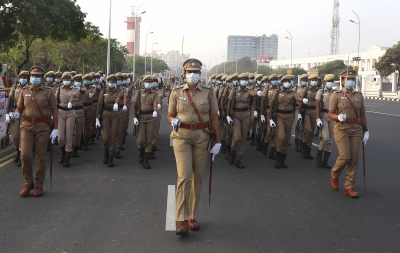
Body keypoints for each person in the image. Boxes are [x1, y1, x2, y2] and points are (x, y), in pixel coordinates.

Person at [168, 58, 221, 236]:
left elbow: (214, 117)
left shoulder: (208, 92)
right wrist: (173, 120)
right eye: (190, 72)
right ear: (184, 73)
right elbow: (170, 115)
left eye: (196, 72)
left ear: (200, 73)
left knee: (198, 176)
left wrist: (219, 142)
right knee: (184, 176)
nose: (193, 75)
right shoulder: (176, 92)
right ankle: (182, 220)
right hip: (181, 136)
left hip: (202, 137)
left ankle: (192, 216)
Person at [16, 66, 58, 197]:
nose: (35, 78)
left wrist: (56, 129)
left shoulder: (49, 92)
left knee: (41, 156)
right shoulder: (24, 91)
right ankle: (28, 182)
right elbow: (19, 107)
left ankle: (39, 184)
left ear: (42, 78)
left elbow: (54, 111)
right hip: (27, 126)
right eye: (33, 75)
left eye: (38, 76)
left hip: (42, 126)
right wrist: (16, 114)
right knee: (25, 155)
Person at [329, 69, 369, 198]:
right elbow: (330, 113)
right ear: (342, 81)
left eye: (352, 79)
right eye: (348, 79)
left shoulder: (359, 95)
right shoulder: (336, 95)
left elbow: (362, 114)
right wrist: (337, 117)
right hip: (342, 128)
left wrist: (366, 130)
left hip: (356, 128)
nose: (351, 81)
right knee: (345, 156)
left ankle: (349, 186)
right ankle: (335, 174)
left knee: (354, 158)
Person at [268, 75, 308, 168]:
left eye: (288, 81)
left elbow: (297, 98)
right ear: (282, 82)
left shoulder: (292, 92)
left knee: (286, 139)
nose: (287, 82)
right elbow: (271, 105)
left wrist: (303, 99)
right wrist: (270, 119)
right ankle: (277, 159)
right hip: (279, 116)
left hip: (289, 117)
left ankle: (282, 159)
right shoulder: (277, 92)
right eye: (285, 81)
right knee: (281, 137)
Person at [226, 73, 263, 168]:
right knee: (237, 137)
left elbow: (252, 94)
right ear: (239, 80)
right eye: (242, 79)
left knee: (243, 138)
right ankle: (232, 152)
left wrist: (258, 93)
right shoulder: (234, 91)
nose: (244, 81)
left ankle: (238, 159)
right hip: (236, 115)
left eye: (246, 79)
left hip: (246, 115)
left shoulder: (249, 91)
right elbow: (229, 103)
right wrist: (227, 116)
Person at [96, 74, 122, 167]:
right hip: (105, 114)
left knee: (114, 135)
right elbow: (99, 104)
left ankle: (111, 156)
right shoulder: (103, 91)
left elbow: (118, 97)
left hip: (115, 114)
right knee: (105, 137)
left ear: (115, 82)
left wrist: (116, 103)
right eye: (110, 80)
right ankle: (105, 153)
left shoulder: (119, 90)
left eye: (113, 80)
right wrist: (96, 118)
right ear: (107, 81)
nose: (111, 82)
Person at [132, 75, 158, 169]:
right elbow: (134, 105)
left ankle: (146, 160)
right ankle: (141, 153)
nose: (148, 83)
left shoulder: (154, 94)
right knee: (140, 140)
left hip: (151, 117)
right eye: (146, 81)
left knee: (149, 139)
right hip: (141, 118)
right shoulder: (138, 93)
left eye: (150, 82)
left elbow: (155, 103)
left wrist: (155, 110)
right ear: (143, 82)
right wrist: (134, 117)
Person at [6, 70, 29, 166]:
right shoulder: (14, 87)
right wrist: (7, 114)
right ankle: (17, 151)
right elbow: (9, 100)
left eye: (25, 77)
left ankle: (21, 156)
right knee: (15, 136)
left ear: (28, 78)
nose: (23, 78)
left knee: (22, 136)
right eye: (21, 77)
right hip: (15, 113)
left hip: (26, 113)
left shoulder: (30, 88)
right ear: (19, 77)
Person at [56, 72, 78, 167]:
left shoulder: (74, 89)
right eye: (65, 78)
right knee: (60, 137)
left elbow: (73, 95)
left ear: (71, 79)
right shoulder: (59, 89)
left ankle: (67, 157)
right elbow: (55, 100)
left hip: (70, 113)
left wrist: (70, 102)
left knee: (69, 135)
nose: (66, 80)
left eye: (68, 78)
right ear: (62, 79)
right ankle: (63, 152)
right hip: (60, 113)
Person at [315, 74, 335, 168]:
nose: (330, 83)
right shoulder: (321, 92)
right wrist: (317, 118)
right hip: (324, 116)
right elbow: (317, 106)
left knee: (330, 140)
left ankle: (325, 161)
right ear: (325, 82)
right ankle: (319, 156)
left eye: (332, 81)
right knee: (325, 138)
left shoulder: (336, 92)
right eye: (329, 81)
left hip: (333, 116)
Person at [298, 73, 319, 159]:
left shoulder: (319, 90)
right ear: (309, 81)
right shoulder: (305, 90)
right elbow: (300, 101)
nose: (314, 82)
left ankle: (308, 149)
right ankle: (304, 144)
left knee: (312, 132)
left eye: (315, 80)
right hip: (306, 111)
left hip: (314, 112)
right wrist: (299, 113)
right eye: (312, 80)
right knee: (308, 129)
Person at [71, 73, 86, 157]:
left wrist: (78, 89)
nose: (77, 81)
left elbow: (84, 91)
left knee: (78, 131)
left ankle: (76, 147)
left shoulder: (82, 88)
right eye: (76, 80)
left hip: (79, 110)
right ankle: (68, 148)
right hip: (71, 110)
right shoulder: (70, 88)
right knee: (69, 131)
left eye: (79, 80)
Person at [294, 74, 308, 151]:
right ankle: (296, 142)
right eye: (303, 80)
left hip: (306, 109)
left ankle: (301, 141)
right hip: (297, 108)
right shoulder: (296, 88)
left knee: (303, 127)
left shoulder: (309, 89)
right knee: (297, 125)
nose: (305, 81)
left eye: (306, 80)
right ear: (301, 80)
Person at [82, 73, 96, 150]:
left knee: (88, 124)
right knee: (81, 124)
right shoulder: (81, 87)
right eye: (85, 79)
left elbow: (93, 93)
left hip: (89, 107)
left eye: (88, 79)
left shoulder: (92, 88)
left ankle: (86, 142)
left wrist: (91, 94)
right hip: (81, 107)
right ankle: (81, 141)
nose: (87, 80)